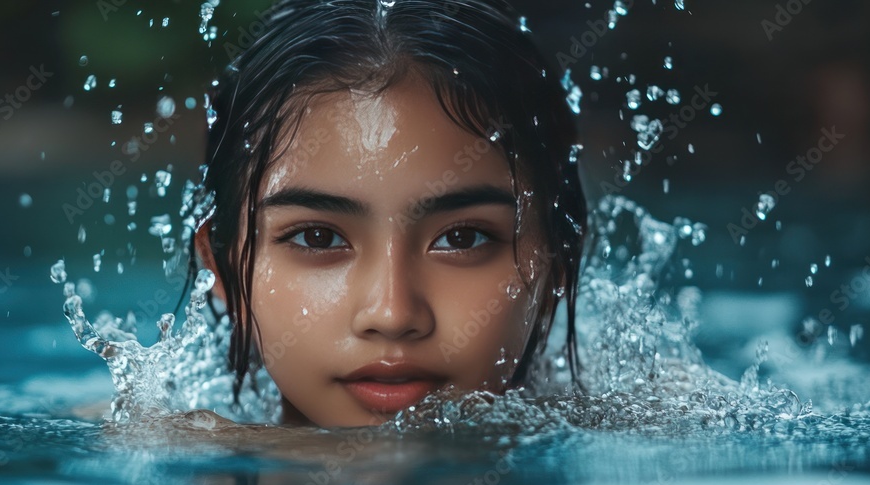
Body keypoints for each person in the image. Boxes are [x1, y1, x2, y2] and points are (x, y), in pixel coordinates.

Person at [189, 0, 587, 428]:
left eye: (462, 238)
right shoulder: (156, 444)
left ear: (556, 263)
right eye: (318, 238)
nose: (392, 316)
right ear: (222, 268)